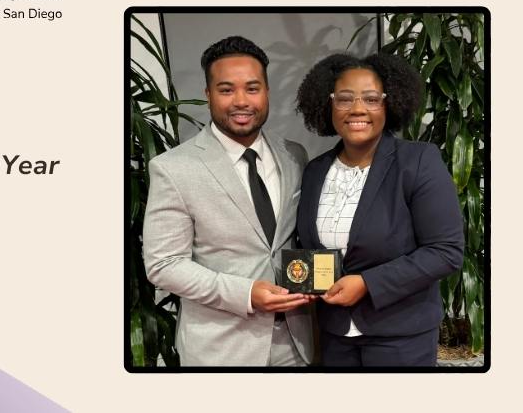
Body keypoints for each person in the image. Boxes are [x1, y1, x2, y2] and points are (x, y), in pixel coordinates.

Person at [143, 36, 314, 366]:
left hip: (295, 345)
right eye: (226, 90)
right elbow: (163, 265)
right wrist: (246, 293)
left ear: (266, 91)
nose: (241, 101)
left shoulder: (294, 154)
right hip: (221, 350)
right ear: (208, 95)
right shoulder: (173, 168)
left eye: (252, 88)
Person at [294, 53, 465, 366]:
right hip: (335, 337)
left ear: (390, 103)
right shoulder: (315, 171)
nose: (358, 108)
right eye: (344, 98)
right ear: (327, 104)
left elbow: (445, 251)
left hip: (401, 339)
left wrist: (367, 284)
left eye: (372, 98)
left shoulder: (418, 161)